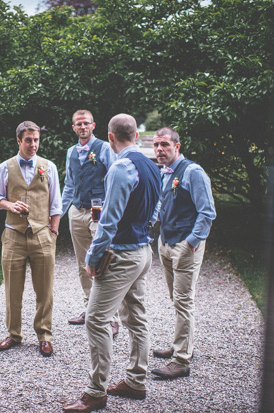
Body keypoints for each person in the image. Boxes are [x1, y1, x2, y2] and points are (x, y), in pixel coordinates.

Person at [63, 114, 160, 412]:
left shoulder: (121, 167)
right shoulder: (151, 164)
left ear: (110, 136)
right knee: (136, 317)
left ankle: (96, 392)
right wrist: (141, 226)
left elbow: (109, 222)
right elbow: (156, 208)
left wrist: (93, 257)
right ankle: (135, 380)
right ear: (134, 134)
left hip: (121, 255)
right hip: (143, 250)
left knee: (95, 319)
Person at [0, 120, 62, 357]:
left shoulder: (48, 166)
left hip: (42, 234)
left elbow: (56, 204)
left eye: (37, 140)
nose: (33, 145)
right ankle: (14, 334)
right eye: (29, 140)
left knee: (45, 290)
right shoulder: (5, 167)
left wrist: (53, 232)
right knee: (12, 289)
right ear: (19, 140)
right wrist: (9, 204)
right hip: (13, 234)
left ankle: (44, 335)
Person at [150, 126, 216, 380]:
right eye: (156, 145)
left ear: (177, 146)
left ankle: (181, 360)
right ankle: (181, 344)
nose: (159, 149)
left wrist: (191, 242)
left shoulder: (193, 172)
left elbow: (207, 212)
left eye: (165, 145)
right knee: (176, 298)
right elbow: (160, 206)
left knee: (184, 299)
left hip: (184, 245)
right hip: (165, 243)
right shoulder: (163, 172)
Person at [61, 110, 120, 336]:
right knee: (81, 263)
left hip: (99, 212)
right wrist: (58, 213)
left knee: (103, 262)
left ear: (93, 125)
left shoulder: (104, 148)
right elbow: (69, 185)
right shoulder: (70, 152)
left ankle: (111, 317)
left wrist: (111, 209)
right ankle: (89, 309)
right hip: (77, 211)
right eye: (79, 124)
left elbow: (114, 178)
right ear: (74, 128)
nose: (83, 127)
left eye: (86, 123)